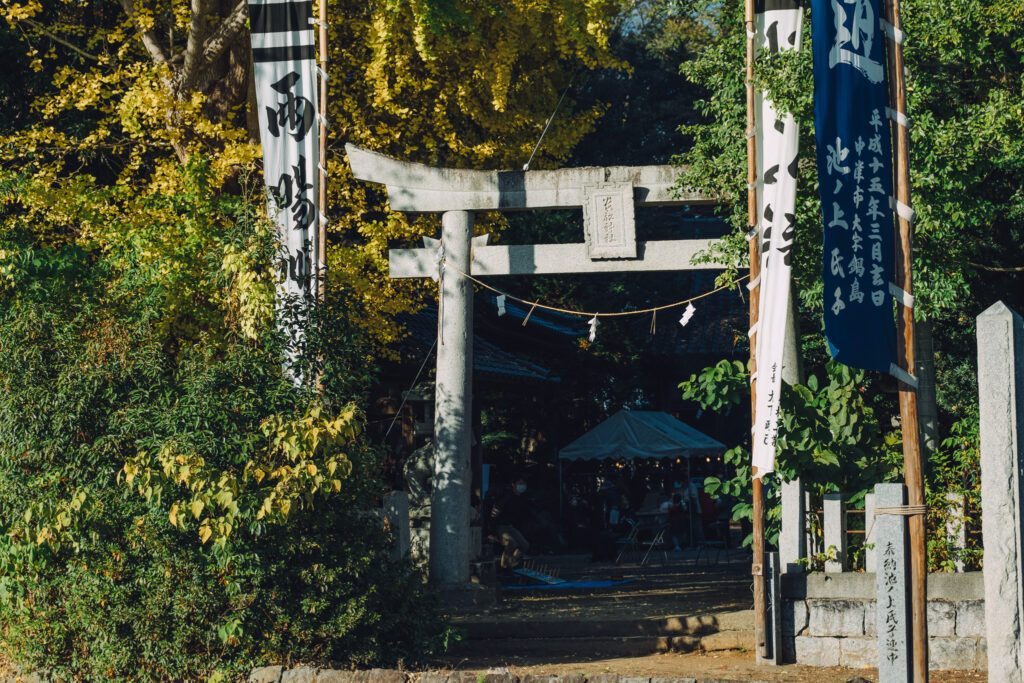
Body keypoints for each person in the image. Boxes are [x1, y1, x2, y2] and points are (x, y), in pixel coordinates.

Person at [488, 477, 531, 569]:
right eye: (520, 483)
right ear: (513, 484)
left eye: (523, 483)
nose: (522, 486)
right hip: (500, 526)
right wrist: (491, 532)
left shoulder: (522, 498)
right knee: (511, 542)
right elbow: (495, 513)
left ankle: (512, 562)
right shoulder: (506, 496)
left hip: (510, 526)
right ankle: (504, 565)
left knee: (525, 545)